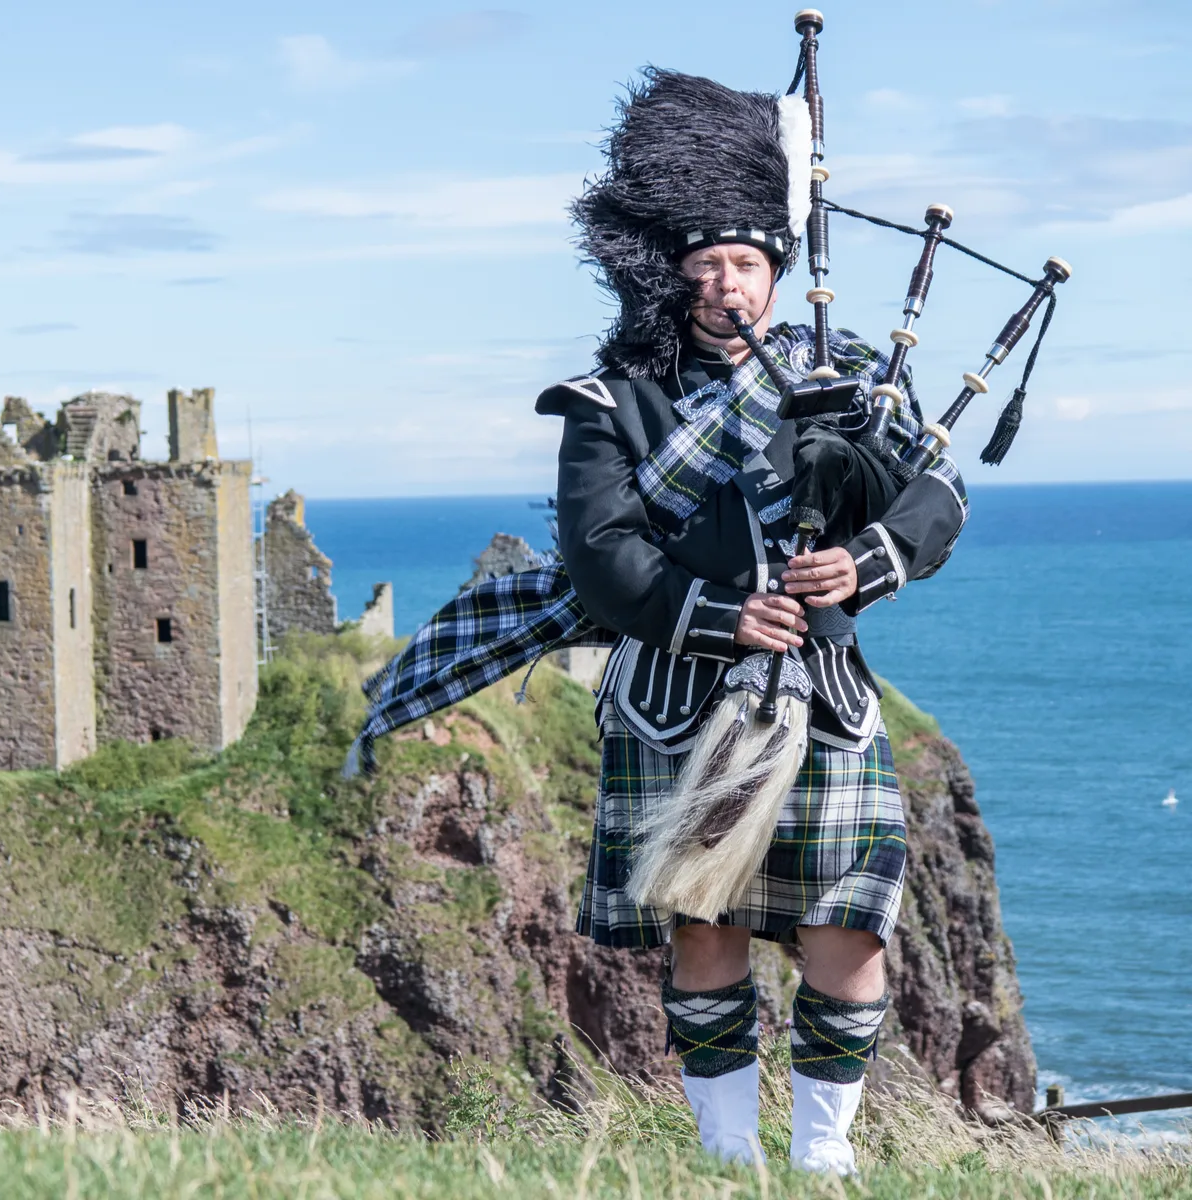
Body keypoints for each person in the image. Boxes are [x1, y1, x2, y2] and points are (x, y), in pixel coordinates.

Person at [542, 69, 968, 1174]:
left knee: (850, 930)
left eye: (744, 262)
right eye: (703, 267)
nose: (726, 284)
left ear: (775, 269)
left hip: (823, 696)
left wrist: (862, 562)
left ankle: (822, 1164)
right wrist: (727, 616)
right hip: (681, 695)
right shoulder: (614, 401)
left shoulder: (846, 374)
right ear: (667, 277)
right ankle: (727, 1162)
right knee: (705, 926)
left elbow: (938, 496)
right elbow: (600, 554)